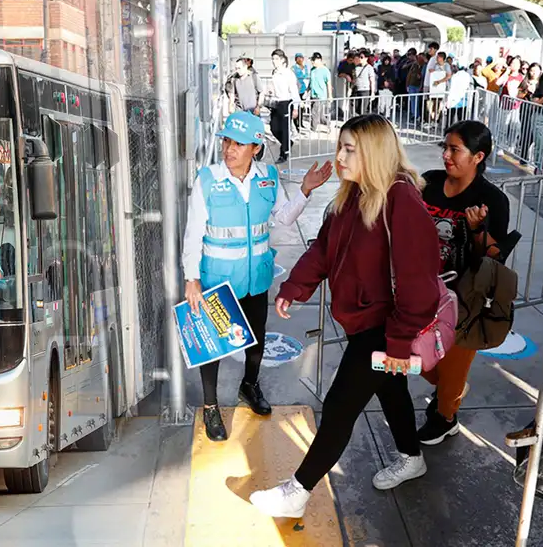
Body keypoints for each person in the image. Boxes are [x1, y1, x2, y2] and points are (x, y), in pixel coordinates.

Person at [248, 114, 440, 517]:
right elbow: (324, 247)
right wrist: (295, 286)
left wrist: (398, 343)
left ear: (374, 152)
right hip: (363, 321)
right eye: (340, 146)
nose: (339, 157)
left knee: (340, 405)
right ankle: (412, 456)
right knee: (391, 390)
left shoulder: (401, 199)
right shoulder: (352, 194)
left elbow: (419, 281)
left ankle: (297, 492)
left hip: (384, 327)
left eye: (349, 149)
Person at [182, 111, 332, 441]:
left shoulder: (268, 177)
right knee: (214, 346)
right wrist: (191, 279)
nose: (229, 149)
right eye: (226, 141)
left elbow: (284, 217)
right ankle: (211, 407)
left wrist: (305, 191)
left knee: (256, 340)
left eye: (238, 144)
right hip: (218, 280)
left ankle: (249, 385)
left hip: (255, 278)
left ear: (256, 148)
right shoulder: (207, 179)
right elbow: (193, 234)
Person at [417, 122, 510, 444]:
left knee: (454, 363)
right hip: (422, 288)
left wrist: (477, 230)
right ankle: (449, 388)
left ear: (478, 156)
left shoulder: (492, 200)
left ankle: (445, 417)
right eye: (445, 148)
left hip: (465, 298)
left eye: (455, 150)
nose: (446, 155)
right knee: (418, 356)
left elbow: (495, 257)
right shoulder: (428, 182)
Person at [264, 48, 301, 163]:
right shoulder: (274, 73)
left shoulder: (288, 74)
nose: (274, 61)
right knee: (274, 128)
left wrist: (295, 108)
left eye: (276, 59)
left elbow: (294, 91)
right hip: (276, 103)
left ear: (282, 60)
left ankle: (283, 154)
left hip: (286, 103)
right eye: (273, 59)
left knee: (285, 129)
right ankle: (288, 143)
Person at [309, 52, 331, 131]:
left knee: (314, 112)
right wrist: (307, 91)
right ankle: (327, 123)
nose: (312, 62)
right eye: (312, 60)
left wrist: (330, 96)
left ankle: (313, 129)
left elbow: (328, 83)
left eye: (314, 60)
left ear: (319, 60)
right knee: (320, 116)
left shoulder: (325, 70)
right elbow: (311, 82)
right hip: (312, 95)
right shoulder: (312, 70)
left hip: (320, 95)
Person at [350, 51, 376, 115]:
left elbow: (372, 80)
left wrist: (372, 92)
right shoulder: (356, 67)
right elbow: (354, 78)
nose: (360, 59)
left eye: (362, 57)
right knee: (355, 108)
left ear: (366, 58)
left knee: (362, 110)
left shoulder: (369, 68)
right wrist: (351, 88)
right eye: (359, 57)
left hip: (365, 90)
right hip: (356, 90)